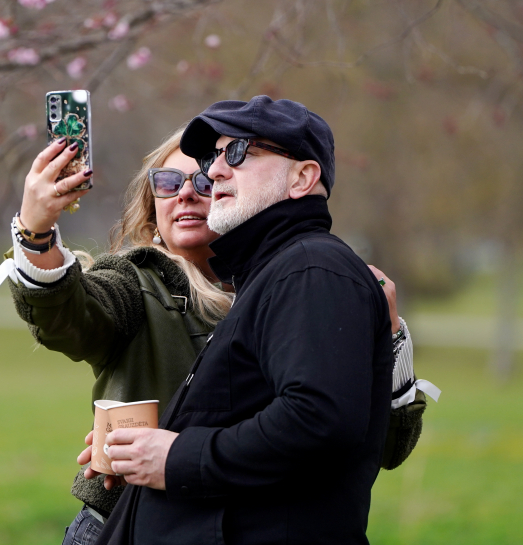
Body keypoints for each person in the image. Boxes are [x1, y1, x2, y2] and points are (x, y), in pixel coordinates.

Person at [0, 123, 432, 545]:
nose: (185, 194)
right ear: (151, 204)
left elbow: (379, 447)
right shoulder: (138, 283)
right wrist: (36, 232)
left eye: (201, 180)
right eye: (166, 182)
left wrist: (388, 335)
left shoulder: (297, 285)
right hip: (123, 524)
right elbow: (67, 318)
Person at [95, 96, 418, 545]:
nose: (214, 171)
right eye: (212, 157)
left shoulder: (311, 268)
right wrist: (141, 451)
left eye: (238, 152)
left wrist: (176, 458)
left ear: (302, 178)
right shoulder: (271, 273)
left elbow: (318, 421)